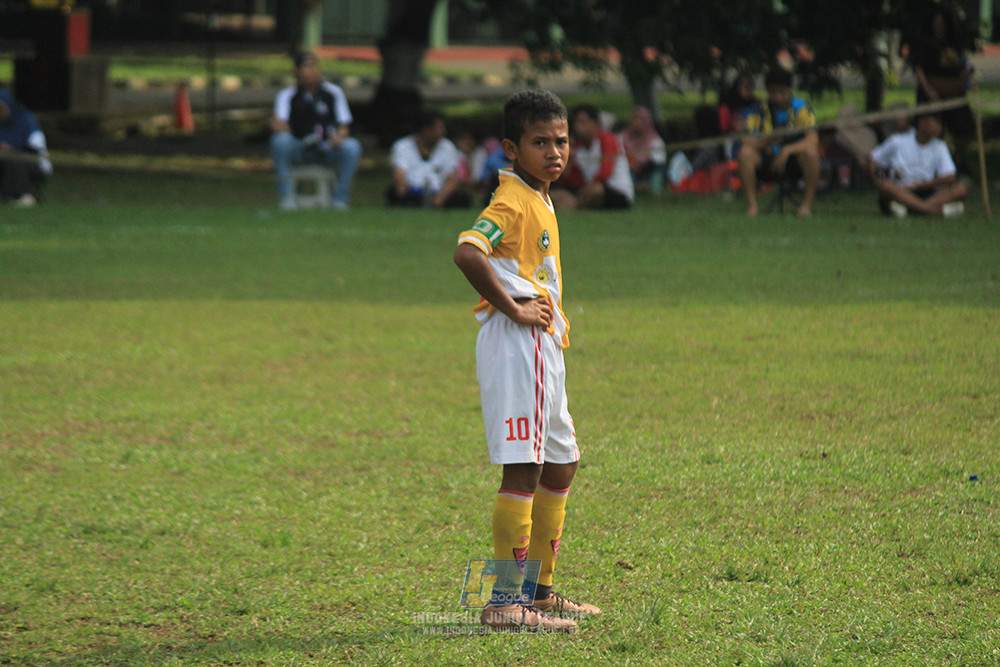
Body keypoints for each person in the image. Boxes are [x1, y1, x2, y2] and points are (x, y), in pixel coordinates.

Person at [453, 89, 601, 633]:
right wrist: (512, 305)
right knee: (526, 465)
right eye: (541, 142)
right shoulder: (512, 199)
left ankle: (538, 594)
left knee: (561, 463)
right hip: (520, 343)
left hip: (543, 345)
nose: (555, 151)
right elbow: (468, 251)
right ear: (512, 149)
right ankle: (503, 603)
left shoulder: (540, 196)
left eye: (561, 141)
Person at [270, 51, 362, 211]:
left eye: (314, 66)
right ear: (297, 72)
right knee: (280, 142)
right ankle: (286, 197)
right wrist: (282, 128)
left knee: (352, 147)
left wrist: (338, 137)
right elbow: (280, 124)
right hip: (300, 147)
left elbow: (344, 126)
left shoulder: (333, 93)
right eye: (307, 67)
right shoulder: (287, 96)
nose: (312, 71)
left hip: (327, 148)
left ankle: (340, 199)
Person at [737, 67, 820, 217]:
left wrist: (787, 150)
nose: (778, 97)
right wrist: (766, 142)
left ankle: (806, 206)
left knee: (811, 153)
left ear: (789, 90)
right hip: (767, 161)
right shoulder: (758, 111)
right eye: (773, 92)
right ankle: (752, 206)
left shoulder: (802, 108)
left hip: (794, 161)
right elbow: (747, 140)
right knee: (745, 153)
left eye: (782, 92)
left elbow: (812, 140)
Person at [910, 8, 975, 171]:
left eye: (942, 24)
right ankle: (931, 166)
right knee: (932, 130)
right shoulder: (924, 42)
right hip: (933, 93)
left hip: (954, 92)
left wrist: (964, 75)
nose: (939, 27)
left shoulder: (953, 41)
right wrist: (929, 90)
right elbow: (918, 68)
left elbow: (963, 64)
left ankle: (956, 160)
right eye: (936, 24)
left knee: (966, 128)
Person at [868, 112, 968, 218]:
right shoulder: (898, 141)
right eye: (936, 123)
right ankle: (932, 210)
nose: (940, 128)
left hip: (927, 190)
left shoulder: (940, 146)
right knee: (885, 185)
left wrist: (919, 186)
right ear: (922, 123)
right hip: (900, 190)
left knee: (961, 189)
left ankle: (912, 208)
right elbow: (873, 160)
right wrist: (879, 178)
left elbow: (950, 177)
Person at [550, 104, 634, 210]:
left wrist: (584, 189)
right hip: (587, 189)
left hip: (614, 190)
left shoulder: (607, 139)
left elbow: (605, 173)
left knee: (596, 189)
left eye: (583, 122)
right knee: (556, 194)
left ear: (595, 123)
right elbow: (573, 180)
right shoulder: (577, 147)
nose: (578, 127)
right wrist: (568, 162)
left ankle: (575, 205)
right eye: (576, 122)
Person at [387, 109, 472, 208]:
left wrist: (441, 198)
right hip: (413, 192)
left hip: (438, 191)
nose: (443, 132)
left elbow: (453, 177)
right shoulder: (402, 146)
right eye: (439, 128)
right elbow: (399, 173)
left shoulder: (447, 147)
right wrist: (402, 189)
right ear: (427, 130)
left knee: (462, 198)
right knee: (394, 194)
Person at [0, 87, 52, 207]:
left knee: (16, 158)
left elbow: (36, 148)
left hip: (30, 164)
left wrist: (12, 149)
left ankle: (24, 195)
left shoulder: (27, 122)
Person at [618, 106, 667, 193]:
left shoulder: (654, 140)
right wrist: (630, 164)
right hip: (630, 168)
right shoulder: (622, 137)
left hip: (648, 170)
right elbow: (617, 155)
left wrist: (641, 164)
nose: (636, 123)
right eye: (634, 120)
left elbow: (659, 160)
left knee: (658, 172)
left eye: (640, 120)